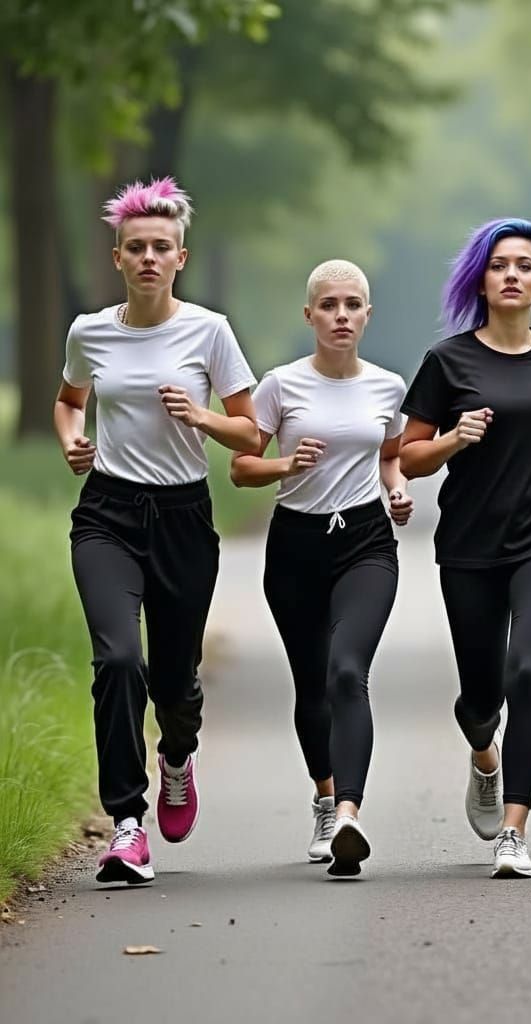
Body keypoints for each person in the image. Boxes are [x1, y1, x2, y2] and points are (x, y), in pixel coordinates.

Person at [54, 177, 259, 884]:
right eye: (135, 247)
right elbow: (68, 400)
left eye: (160, 248)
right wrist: (74, 439)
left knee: (174, 681)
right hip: (107, 514)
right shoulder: (90, 331)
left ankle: (176, 755)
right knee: (117, 662)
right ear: (118, 258)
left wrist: (202, 419)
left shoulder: (209, 331)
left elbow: (252, 434)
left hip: (182, 517)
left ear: (181, 257)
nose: (148, 258)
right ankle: (127, 823)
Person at [399, 218, 531, 879]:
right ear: (482, 279)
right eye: (498, 265)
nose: (511, 274)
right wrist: (454, 438)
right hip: (469, 547)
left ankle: (514, 829)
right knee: (481, 698)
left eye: (522, 265)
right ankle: (485, 754)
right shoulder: (448, 362)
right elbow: (410, 458)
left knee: (528, 673)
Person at [230, 260, 411, 877]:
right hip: (296, 546)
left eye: (352, 305)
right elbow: (241, 468)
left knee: (346, 671)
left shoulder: (388, 387)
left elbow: (390, 455)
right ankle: (325, 796)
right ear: (309, 315)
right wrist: (287, 466)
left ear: (367, 314)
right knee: (311, 681)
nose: (341, 316)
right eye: (328, 305)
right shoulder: (279, 386)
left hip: (365, 541)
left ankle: (349, 814)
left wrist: (397, 488)